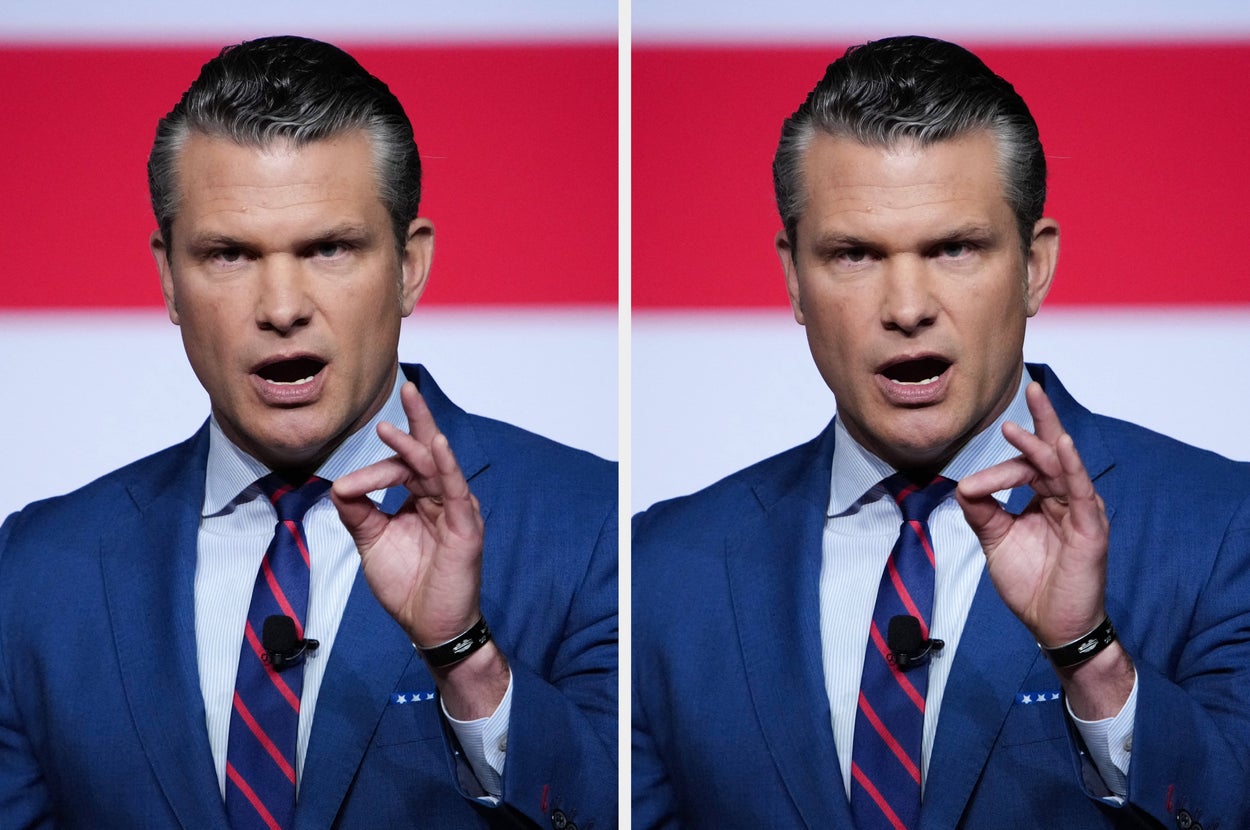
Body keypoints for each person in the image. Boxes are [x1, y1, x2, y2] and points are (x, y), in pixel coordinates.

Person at [632, 35, 1250, 829]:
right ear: (793, 277)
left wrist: (1091, 659)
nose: (907, 306)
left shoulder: (1224, 529)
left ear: (1033, 267)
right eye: (854, 254)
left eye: (955, 248)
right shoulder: (663, 570)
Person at [0, 36, 616, 829]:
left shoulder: (597, 530)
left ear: (408, 267)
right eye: (228, 254)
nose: (282, 305)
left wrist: (465, 657)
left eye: (329, 248)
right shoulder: (37, 572)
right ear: (168, 278)